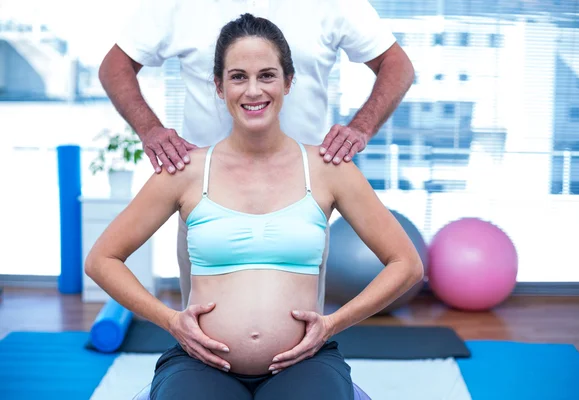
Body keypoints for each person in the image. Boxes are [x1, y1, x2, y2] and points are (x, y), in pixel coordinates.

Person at [87, 14, 423, 400]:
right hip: (200, 361)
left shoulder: (330, 170)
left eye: (266, 75)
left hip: (305, 361)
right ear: (218, 85)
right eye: (237, 77)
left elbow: (406, 264)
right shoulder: (185, 171)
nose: (252, 91)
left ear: (288, 82)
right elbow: (102, 259)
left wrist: (332, 324)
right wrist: (171, 321)